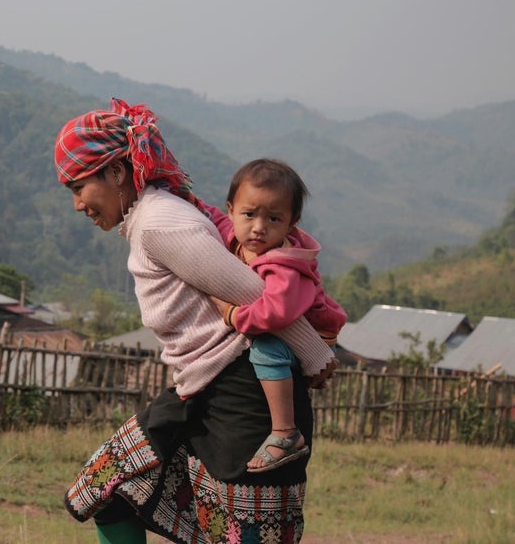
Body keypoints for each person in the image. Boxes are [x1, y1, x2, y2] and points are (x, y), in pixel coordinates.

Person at [55, 98, 337, 543]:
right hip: (202, 389)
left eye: (77, 187)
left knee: (244, 533)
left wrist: (316, 354)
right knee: (110, 488)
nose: (76, 204)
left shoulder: (159, 223)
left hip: (247, 398)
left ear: (115, 172)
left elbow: (252, 293)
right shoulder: (151, 218)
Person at [222, 158, 347, 473]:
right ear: (231, 210)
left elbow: (274, 315)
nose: (259, 227)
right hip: (291, 332)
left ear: (292, 224)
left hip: (314, 340)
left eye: (274, 218)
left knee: (266, 350)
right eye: (249, 214)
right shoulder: (238, 237)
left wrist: (234, 315)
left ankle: (285, 433)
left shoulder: (283, 265)